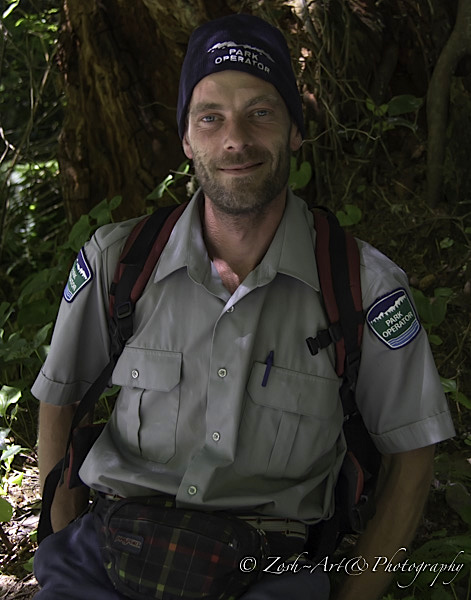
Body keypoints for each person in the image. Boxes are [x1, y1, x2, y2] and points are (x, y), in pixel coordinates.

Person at [32, 12, 455, 600]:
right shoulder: (119, 262)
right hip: (112, 554)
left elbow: (412, 454)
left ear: (295, 130)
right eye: (211, 118)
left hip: (269, 572)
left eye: (261, 112)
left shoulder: (363, 287)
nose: (235, 139)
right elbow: (60, 400)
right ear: (186, 137)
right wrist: (66, 539)